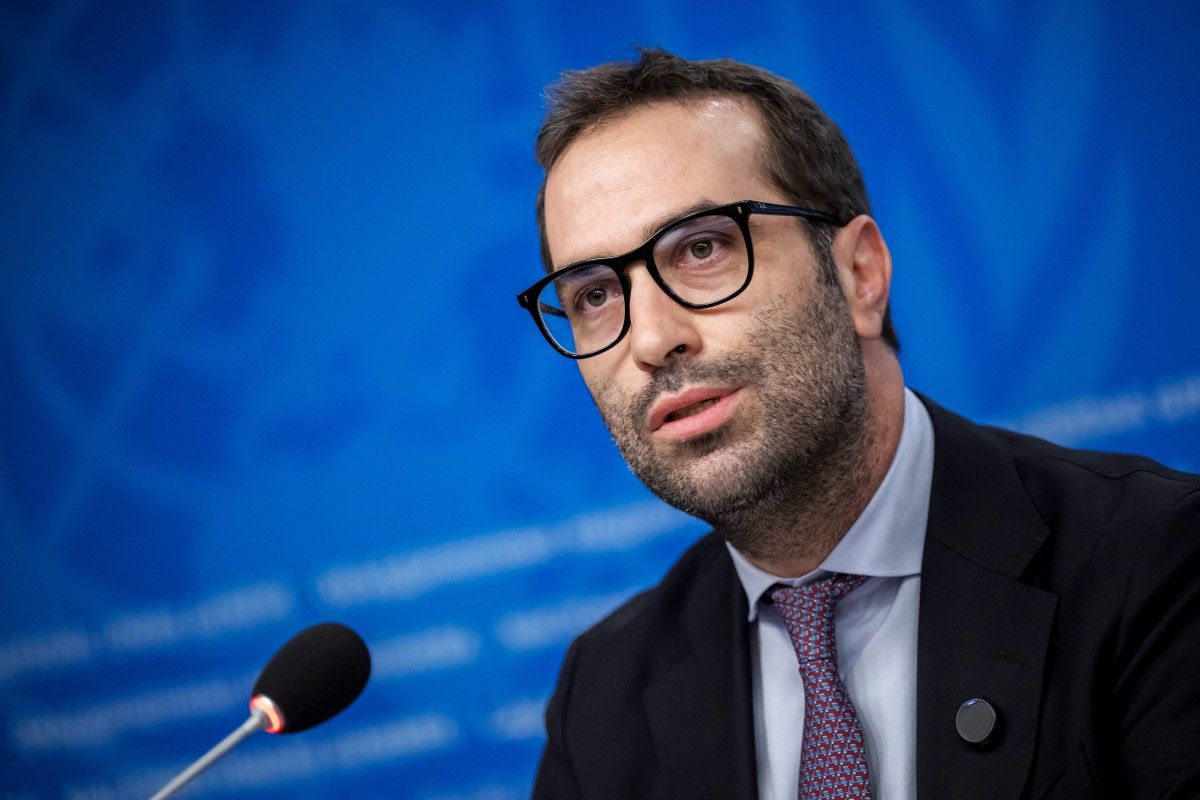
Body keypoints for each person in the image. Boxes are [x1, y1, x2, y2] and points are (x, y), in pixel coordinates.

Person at [515, 49, 1200, 800]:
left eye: (702, 248)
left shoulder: (1156, 562)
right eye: (593, 296)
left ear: (860, 275)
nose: (650, 340)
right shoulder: (601, 700)